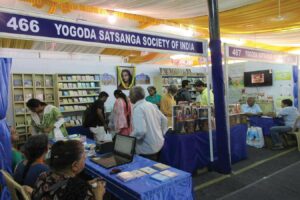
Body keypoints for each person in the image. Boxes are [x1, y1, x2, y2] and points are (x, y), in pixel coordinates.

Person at [31, 140, 105, 200]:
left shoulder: (43, 176)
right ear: (75, 165)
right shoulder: (79, 191)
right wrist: (99, 195)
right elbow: (73, 188)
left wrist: (86, 184)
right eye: (84, 158)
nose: (85, 160)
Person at [129, 86, 168, 161]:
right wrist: (162, 133)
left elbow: (140, 131)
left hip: (147, 148)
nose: (129, 97)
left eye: (130, 95)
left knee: (147, 171)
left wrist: (130, 137)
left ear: (134, 96)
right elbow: (164, 119)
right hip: (159, 144)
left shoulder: (138, 108)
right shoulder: (151, 105)